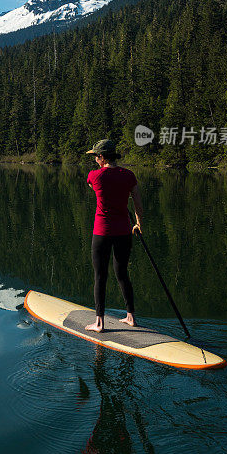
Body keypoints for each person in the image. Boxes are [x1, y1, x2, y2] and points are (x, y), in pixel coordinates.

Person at [85, 139, 143, 332]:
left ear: (102, 157)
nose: (94, 159)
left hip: (102, 232)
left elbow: (94, 188)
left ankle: (99, 323)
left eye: (95, 156)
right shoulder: (129, 175)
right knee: (122, 274)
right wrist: (138, 224)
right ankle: (131, 317)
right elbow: (137, 201)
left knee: (100, 275)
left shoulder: (95, 176)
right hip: (124, 232)